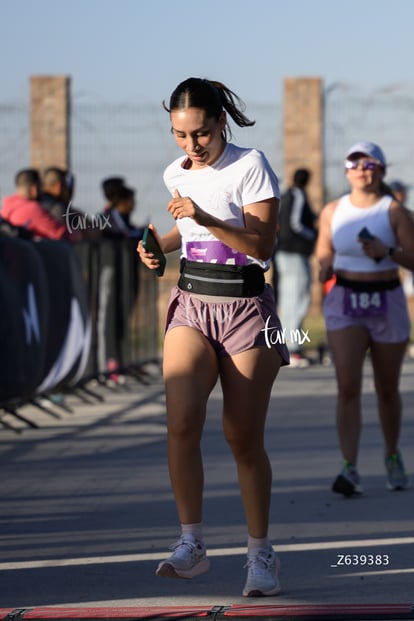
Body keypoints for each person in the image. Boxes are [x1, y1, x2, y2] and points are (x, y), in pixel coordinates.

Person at [137, 77, 289, 597]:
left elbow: (261, 244)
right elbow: (190, 231)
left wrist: (202, 215)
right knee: (181, 421)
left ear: (220, 122)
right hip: (192, 304)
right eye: (180, 135)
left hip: (246, 307)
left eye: (200, 134)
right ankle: (192, 542)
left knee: (242, 437)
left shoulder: (250, 165)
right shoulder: (174, 172)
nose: (191, 146)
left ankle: (260, 554)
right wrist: (161, 245)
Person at [316, 141, 414, 496]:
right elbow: (324, 246)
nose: (362, 169)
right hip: (346, 299)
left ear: (381, 170)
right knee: (347, 386)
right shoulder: (332, 210)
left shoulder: (395, 212)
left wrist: (387, 252)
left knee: (386, 388)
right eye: (354, 163)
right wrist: (324, 265)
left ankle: (391, 455)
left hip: (386, 298)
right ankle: (349, 466)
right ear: (346, 171)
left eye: (369, 163)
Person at [274, 168, 318, 367]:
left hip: (283, 254)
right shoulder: (298, 195)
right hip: (294, 253)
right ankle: (293, 349)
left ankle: (288, 347)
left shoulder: (284, 195)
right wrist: (315, 236)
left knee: (289, 300)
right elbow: (295, 224)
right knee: (298, 300)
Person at [1, 168, 68, 240]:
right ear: (34, 189)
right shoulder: (32, 208)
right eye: (40, 187)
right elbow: (59, 233)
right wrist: (77, 233)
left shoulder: (6, 207)